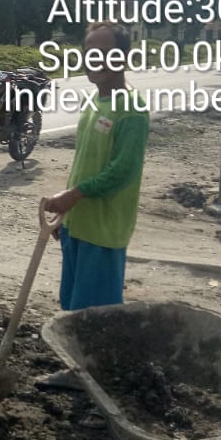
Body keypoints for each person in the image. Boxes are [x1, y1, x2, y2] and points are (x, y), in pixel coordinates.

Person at [37, 22, 149, 388]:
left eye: (104, 50)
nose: (95, 58)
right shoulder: (94, 103)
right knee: (73, 302)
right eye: (90, 50)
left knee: (97, 311)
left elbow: (122, 172)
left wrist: (73, 195)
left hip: (104, 228)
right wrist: (67, 211)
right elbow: (86, 163)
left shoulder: (130, 108)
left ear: (124, 57)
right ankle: (78, 372)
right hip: (78, 223)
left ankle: (103, 383)